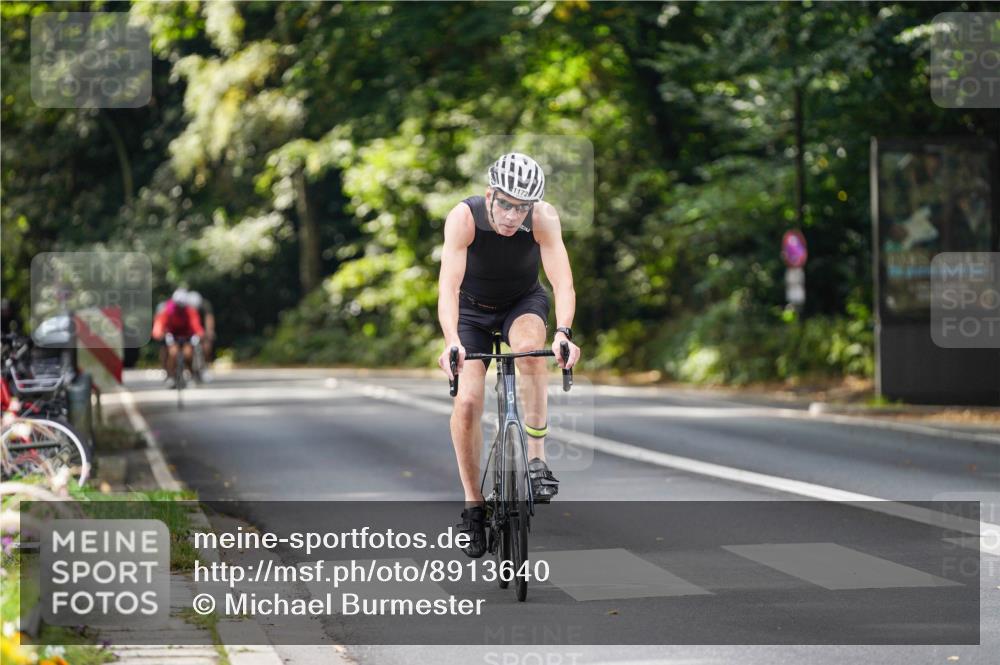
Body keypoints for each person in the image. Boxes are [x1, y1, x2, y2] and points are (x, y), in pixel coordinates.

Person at [436, 152, 581, 559]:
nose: (513, 215)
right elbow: (447, 288)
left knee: (531, 354)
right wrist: (452, 340)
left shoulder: (543, 219)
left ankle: (536, 460)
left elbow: (562, 283)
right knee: (466, 402)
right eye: (506, 204)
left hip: (521, 303)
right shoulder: (464, 219)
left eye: (523, 207)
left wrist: (564, 332)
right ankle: (473, 505)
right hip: (470, 313)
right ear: (490, 195)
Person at [151, 288, 205, 387]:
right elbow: (160, 324)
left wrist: (199, 333)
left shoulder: (189, 311)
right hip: (172, 335)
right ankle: (171, 376)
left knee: (188, 353)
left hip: (187, 335)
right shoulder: (168, 309)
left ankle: (191, 374)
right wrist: (158, 333)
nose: (180, 308)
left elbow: (195, 324)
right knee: (173, 352)